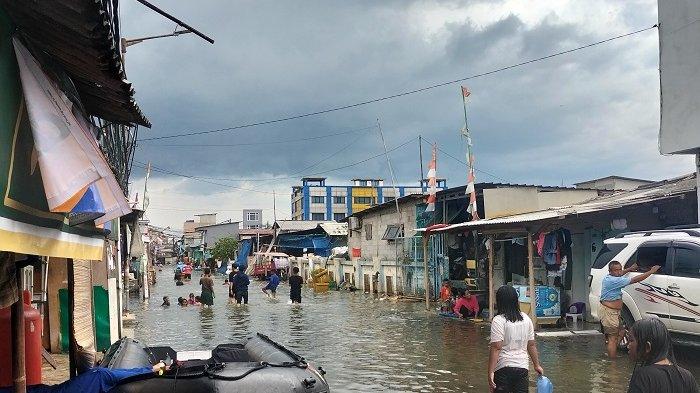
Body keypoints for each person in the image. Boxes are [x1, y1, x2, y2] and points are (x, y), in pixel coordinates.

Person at [488, 285, 543, 393]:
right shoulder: (526, 318)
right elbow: (531, 345)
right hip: (522, 368)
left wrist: (490, 372)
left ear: (499, 301)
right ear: (515, 300)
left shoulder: (498, 320)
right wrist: (537, 365)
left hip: (503, 368)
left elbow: (496, 348)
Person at [600, 261, 661, 358]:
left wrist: (629, 269)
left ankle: (611, 353)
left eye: (620, 269)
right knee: (612, 338)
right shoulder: (614, 281)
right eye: (616, 270)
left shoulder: (611, 277)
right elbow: (635, 279)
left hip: (614, 312)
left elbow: (620, 273)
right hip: (609, 312)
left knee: (622, 332)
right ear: (610, 271)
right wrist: (651, 271)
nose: (619, 272)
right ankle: (611, 365)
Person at [627, 317, 698, 393]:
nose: (628, 345)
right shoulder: (687, 376)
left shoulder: (642, 376)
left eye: (631, 340)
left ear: (647, 347)